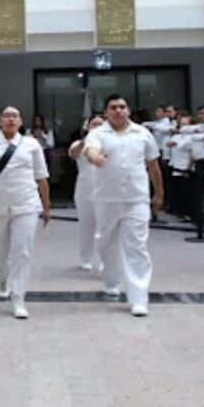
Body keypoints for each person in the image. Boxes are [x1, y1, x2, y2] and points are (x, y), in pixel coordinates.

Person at [84, 94, 163, 317]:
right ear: (106, 112)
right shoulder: (98, 133)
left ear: (128, 110)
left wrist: (158, 194)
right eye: (113, 107)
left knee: (136, 247)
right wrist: (96, 158)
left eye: (122, 107)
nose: (118, 111)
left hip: (136, 198)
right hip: (106, 199)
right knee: (106, 243)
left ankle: (138, 298)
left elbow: (153, 165)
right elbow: (91, 151)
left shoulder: (142, 133)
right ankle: (111, 279)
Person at [0, 106, 50, 320]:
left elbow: (41, 176)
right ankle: (2, 276)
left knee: (22, 252)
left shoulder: (31, 144)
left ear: (21, 121)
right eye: (6, 116)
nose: (11, 119)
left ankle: (18, 297)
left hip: (26, 203)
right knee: (0, 252)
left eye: (15, 116)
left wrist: (46, 206)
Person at [68, 115, 104, 270]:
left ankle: (106, 260)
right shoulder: (80, 144)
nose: (96, 127)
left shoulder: (110, 142)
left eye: (100, 124)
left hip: (106, 190)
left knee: (105, 227)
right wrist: (86, 140)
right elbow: (73, 153)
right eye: (93, 124)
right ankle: (85, 258)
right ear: (87, 126)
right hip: (85, 190)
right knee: (86, 226)